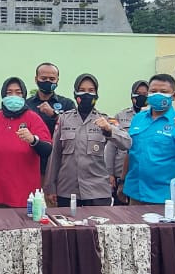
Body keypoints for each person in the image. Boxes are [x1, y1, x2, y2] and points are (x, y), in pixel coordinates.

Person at [46, 73, 130, 207]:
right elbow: (55, 155)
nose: (86, 94)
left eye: (91, 91)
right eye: (82, 90)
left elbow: (127, 143)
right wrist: (51, 187)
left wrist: (109, 130)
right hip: (67, 191)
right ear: (75, 93)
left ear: (96, 95)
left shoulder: (106, 119)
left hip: (97, 192)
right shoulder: (64, 119)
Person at [123, 73, 175, 205]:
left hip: (164, 198)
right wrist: (122, 181)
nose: (158, 94)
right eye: (153, 91)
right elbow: (130, 152)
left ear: (174, 96)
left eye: (163, 91)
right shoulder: (138, 118)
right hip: (135, 193)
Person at [0, 78, 51, 208]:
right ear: (3, 95)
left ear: (24, 95)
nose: (13, 96)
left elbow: (47, 150)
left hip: (25, 197)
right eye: (9, 93)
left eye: (18, 92)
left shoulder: (33, 118)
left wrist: (33, 140)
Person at [105, 79, 148, 205]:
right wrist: (110, 173)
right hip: (121, 172)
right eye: (138, 93)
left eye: (145, 94)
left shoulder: (153, 118)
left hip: (142, 173)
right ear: (132, 96)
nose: (141, 97)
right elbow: (111, 145)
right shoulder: (121, 116)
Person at [25, 62, 76, 139]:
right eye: (43, 78)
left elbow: (75, 127)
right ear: (36, 79)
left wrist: (54, 115)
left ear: (57, 80)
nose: (47, 81)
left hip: (59, 149)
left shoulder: (67, 104)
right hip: (31, 149)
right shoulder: (26, 104)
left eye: (52, 79)